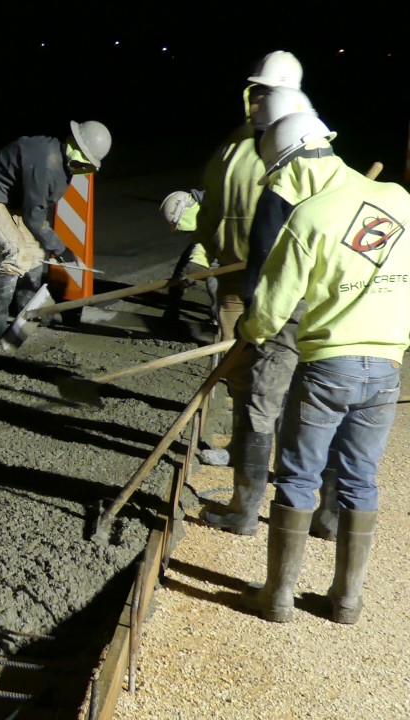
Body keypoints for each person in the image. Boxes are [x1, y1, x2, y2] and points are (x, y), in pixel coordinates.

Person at [235, 111, 410, 624]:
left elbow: (271, 307)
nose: (281, 187)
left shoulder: (309, 217)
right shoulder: (401, 201)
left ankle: (279, 597)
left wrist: (249, 334)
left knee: (297, 478)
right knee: (360, 480)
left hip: (327, 368)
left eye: (280, 175)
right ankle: (347, 602)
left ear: (299, 165)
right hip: (385, 368)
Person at [200, 96, 340, 538]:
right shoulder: (349, 185)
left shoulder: (281, 188)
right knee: (329, 413)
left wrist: (253, 325)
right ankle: (331, 516)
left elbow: (264, 267)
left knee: (262, 409)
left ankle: (243, 513)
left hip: (288, 316)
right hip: (337, 316)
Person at [183, 50, 303, 470]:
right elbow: (213, 207)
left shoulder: (300, 146)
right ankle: (241, 450)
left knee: (282, 376)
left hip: (284, 286)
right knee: (238, 371)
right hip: (234, 281)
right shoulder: (233, 146)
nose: (256, 102)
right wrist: (201, 252)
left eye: (265, 94)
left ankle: (292, 465)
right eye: (254, 92)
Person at [0, 120, 112, 343]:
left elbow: (36, 209)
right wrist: (63, 251)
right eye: (85, 162)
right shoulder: (46, 162)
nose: (83, 168)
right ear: (75, 145)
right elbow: (34, 218)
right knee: (17, 255)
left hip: (8, 200)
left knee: (35, 255)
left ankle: (30, 315)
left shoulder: (57, 157)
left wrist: (56, 248)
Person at [159, 189, 219, 328]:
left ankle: (222, 323)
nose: (185, 233)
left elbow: (213, 258)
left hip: (250, 250)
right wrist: (181, 277)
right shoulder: (204, 212)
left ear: (186, 215)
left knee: (215, 279)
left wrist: (191, 272)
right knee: (183, 265)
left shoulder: (219, 214)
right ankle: (172, 310)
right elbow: (200, 246)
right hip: (214, 237)